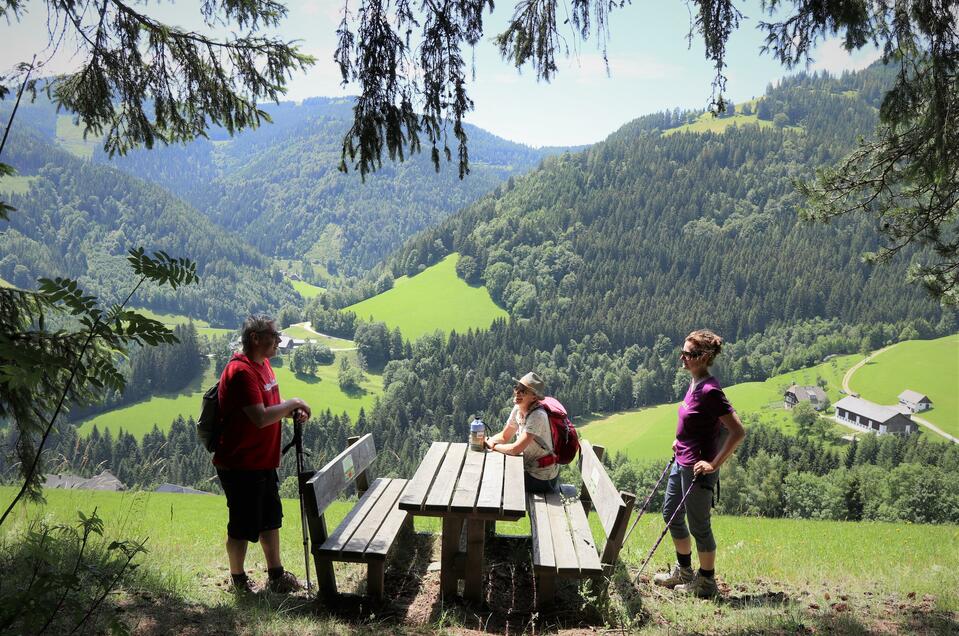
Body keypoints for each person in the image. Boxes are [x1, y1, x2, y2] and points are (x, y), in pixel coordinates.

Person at [214, 315, 312, 594]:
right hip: (241, 463)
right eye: (273, 335)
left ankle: (276, 576)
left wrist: (289, 410)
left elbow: (269, 406)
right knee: (242, 524)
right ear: (255, 338)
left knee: (270, 518)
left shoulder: (264, 366)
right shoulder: (241, 372)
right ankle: (238, 581)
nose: (279, 341)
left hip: (263, 461)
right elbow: (258, 418)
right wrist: (294, 402)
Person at [653, 329, 745, 598]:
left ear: (704, 357)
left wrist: (713, 464)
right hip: (681, 460)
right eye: (682, 352)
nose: (683, 358)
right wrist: (678, 440)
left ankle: (706, 583)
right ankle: (684, 572)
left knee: (699, 526)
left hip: (697, 470)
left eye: (689, 354)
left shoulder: (710, 390)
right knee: (671, 514)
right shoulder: (694, 383)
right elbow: (694, 422)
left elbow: (737, 431)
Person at [485, 372, 559, 493]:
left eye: (523, 391)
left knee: (496, 481)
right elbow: (504, 436)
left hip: (542, 477)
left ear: (534, 397)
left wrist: (494, 446)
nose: (518, 392)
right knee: (493, 475)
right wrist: (490, 441)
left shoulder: (538, 416)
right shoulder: (518, 409)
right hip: (528, 468)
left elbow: (516, 449)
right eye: (517, 388)